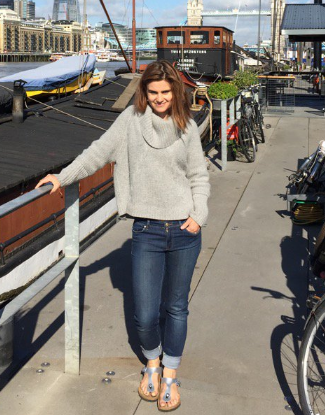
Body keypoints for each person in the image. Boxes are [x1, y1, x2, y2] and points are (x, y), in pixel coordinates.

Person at [36, 60, 210, 411]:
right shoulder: (130, 122)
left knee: (176, 307)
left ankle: (169, 374)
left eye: (165, 92)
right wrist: (62, 177)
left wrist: (199, 215)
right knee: (145, 314)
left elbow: (198, 175)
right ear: (144, 91)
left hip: (184, 229)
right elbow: (97, 154)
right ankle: (151, 362)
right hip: (145, 229)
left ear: (175, 92)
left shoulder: (186, 125)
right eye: (153, 91)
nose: (160, 98)